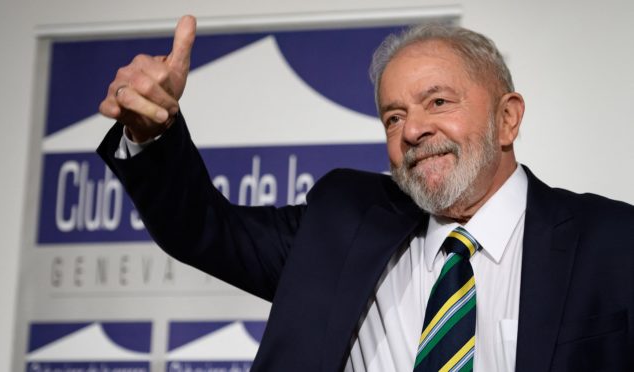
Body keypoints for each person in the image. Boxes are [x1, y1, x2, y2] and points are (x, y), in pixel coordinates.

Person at [98, 15, 634, 372]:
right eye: (393, 116)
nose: (412, 130)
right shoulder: (342, 219)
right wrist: (154, 133)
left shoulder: (613, 242)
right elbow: (203, 230)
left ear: (507, 118)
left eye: (439, 102)